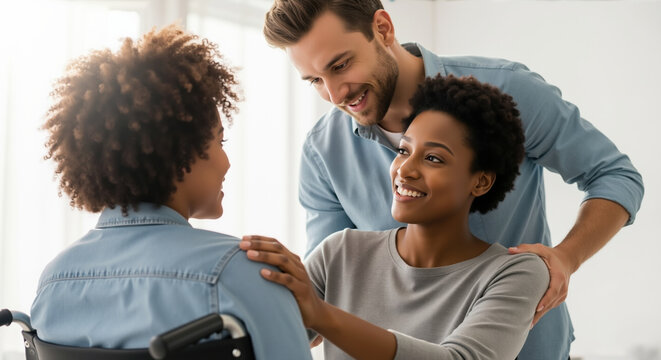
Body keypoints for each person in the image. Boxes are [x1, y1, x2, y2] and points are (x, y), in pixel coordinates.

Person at [261, 1, 644, 358]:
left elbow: (614, 175)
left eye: (341, 65)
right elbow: (323, 300)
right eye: (314, 80)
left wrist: (566, 257)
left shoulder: (509, 91)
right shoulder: (322, 152)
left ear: (382, 28)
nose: (335, 94)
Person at [30, 25, 312, 360]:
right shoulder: (245, 272)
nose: (227, 163)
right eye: (219, 142)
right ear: (183, 152)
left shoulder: (54, 283)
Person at [240, 74, 550, 359]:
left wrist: (322, 314)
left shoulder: (515, 273)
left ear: (480, 181)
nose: (405, 169)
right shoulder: (341, 253)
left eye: (433, 158)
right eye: (404, 151)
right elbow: (261, 338)